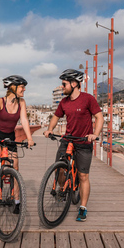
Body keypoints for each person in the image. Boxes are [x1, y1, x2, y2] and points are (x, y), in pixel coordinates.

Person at [43, 69, 103, 222]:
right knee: (60, 168)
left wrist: (94, 134)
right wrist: (50, 129)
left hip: (83, 142)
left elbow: (99, 117)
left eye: (64, 84)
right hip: (67, 140)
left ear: (74, 84)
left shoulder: (88, 99)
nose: (62, 87)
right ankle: (63, 191)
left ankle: (83, 207)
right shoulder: (64, 102)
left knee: (83, 176)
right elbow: (56, 117)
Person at [0, 75, 35, 215]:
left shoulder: (21, 102)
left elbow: (24, 120)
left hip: (10, 136)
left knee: (15, 167)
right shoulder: (0, 102)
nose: (24, 89)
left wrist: (29, 138)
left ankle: (16, 202)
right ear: (13, 88)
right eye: (22, 87)